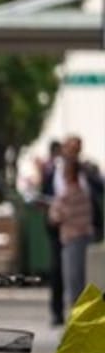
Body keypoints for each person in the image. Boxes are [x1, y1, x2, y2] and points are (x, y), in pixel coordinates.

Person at [43, 135, 104, 320]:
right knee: (62, 272)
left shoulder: (85, 172)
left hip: (76, 232)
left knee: (76, 277)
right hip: (64, 233)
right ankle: (59, 311)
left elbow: (98, 189)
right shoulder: (54, 171)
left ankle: (79, 315)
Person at [39, 140, 65, 324]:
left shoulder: (81, 173)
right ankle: (57, 311)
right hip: (57, 226)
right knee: (57, 268)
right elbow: (44, 193)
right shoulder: (51, 172)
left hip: (75, 228)